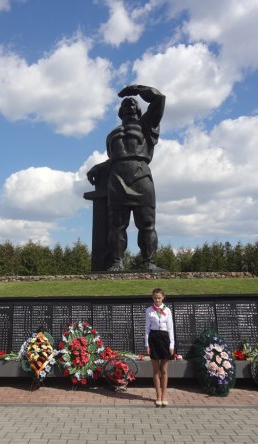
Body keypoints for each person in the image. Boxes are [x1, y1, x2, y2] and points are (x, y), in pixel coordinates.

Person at [87, 84, 165, 272]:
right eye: (125, 103)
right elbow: (114, 159)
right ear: (120, 112)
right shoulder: (112, 134)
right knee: (117, 224)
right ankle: (117, 262)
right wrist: (98, 167)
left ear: (139, 109)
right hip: (117, 177)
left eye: (133, 103)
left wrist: (137, 89)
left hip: (141, 175)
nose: (130, 103)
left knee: (146, 223)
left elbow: (159, 99)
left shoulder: (147, 125)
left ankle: (148, 261)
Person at [145, 288, 174, 407]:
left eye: (159, 298)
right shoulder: (149, 311)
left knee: (164, 370)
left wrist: (172, 345)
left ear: (163, 298)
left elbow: (171, 328)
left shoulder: (167, 310)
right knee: (156, 370)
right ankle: (158, 396)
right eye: (155, 298)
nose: (157, 300)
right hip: (153, 338)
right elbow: (147, 328)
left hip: (164, 338)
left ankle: (164, 396)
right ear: (153, 298)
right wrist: (147, 344)